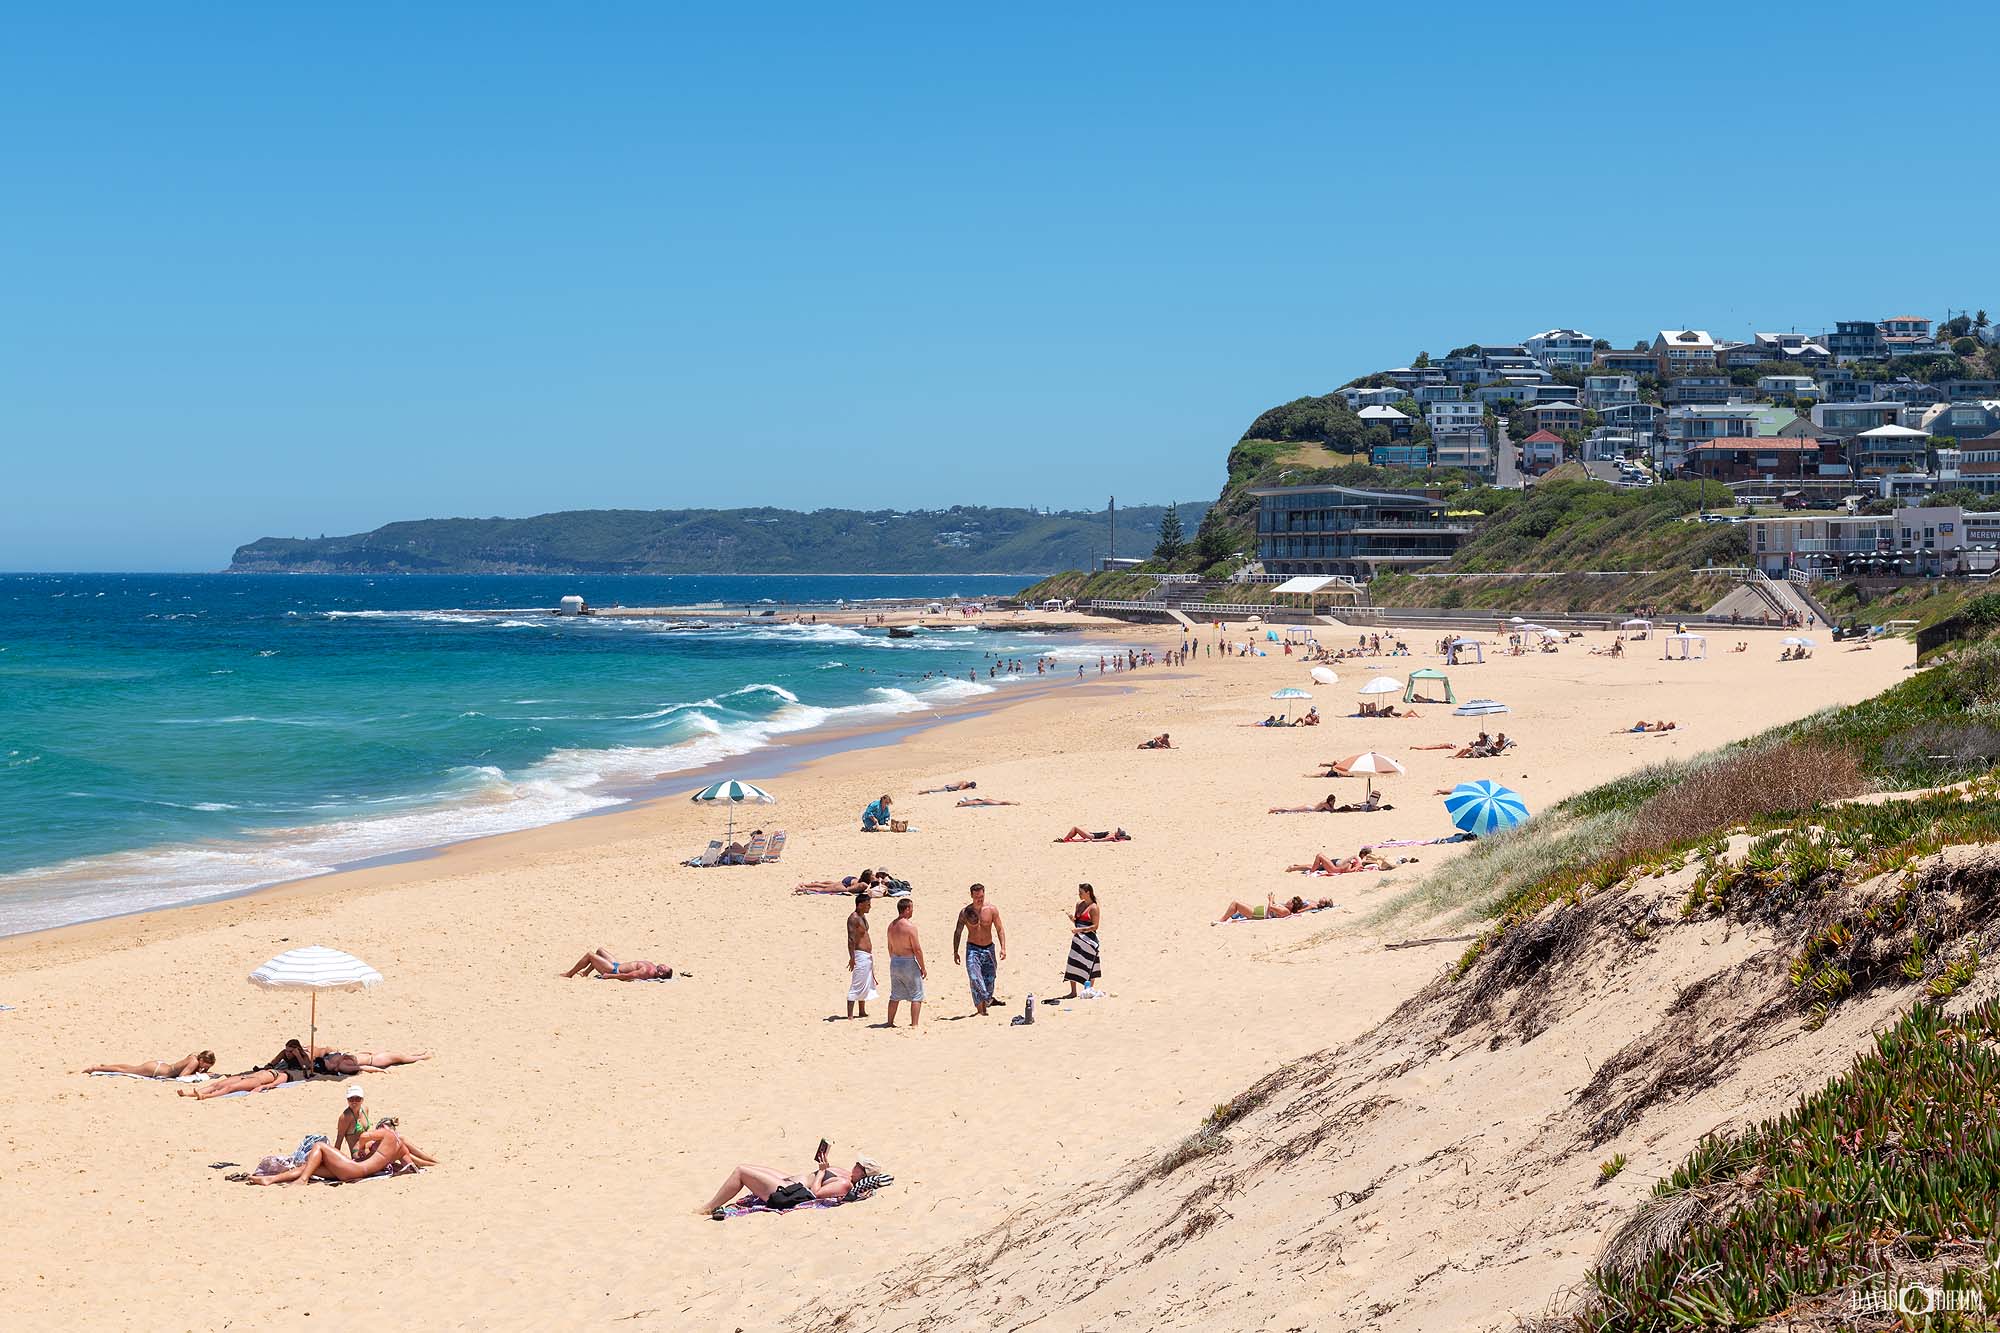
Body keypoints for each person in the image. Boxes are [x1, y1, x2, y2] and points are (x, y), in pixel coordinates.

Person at [698, 1151, 883, 1217]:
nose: (855, 1165)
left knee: (741, 1171)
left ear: (863, 1173)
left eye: (859, 1166)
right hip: (792, 1182)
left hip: (790, 1193)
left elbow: (817, 1194)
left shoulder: (845, 1184)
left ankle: (709, 1207)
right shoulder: (847, 1175)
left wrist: (820, 1171)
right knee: (751, 1167)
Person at [247, 1122, 438, 1186]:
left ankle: (302, 1180)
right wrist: (431, 1163)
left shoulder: (386, 1133)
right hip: (357, 1172)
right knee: (311, 1165)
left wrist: (363, 1148)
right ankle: (270, 1180)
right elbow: (410, 1165)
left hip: (354, 1169)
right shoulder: (400, 1147)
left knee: (320, 1147)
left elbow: (363, 1136)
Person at [953, 883, 1008, 1016]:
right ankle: (981, 1009)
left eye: (982, 897)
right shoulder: (965, 912)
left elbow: (999, 929)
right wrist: (955, 951)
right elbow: (958, 932)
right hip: (973, 949)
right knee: (975, 977)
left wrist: (1003, 947)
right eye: (977, 897)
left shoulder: (991, 910)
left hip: (989, 949)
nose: (980, 899)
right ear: (971, 896)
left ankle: (987, 1001)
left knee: (990, 979)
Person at [885, 897, 926, 1028]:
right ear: (907, 909)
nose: (913, 910)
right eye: (911, 908)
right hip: (908, 961)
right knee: (916, 994)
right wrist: (923, 967)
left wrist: (894, 960)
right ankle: (914, 1024)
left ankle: (890, 1022)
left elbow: (890, 947)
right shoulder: (910, 927)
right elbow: (917, 949)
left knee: (895, 995)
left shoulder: (891, 926)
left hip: (895, 961)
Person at [1061, 884, 1100, 999]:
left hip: (1089, 940)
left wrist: (1080, 929)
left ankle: (1088, 990)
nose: (1079, 894)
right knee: (1072, 961)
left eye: (1081, 892)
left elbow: (1095, 926)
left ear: (1088, 892)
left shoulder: (1094, 908)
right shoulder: (1079, 904)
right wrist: (1072, 919)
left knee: (1090, 964)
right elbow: (1077, 922)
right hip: (1078, 939)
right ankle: (1073, 992)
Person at [846, 892, 877, 1020]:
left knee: (865, 982)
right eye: (867, 904)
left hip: (866, 955)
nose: (869, 906)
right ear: (860, 905)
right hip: (859, 954)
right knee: (857, 983)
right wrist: (852, 958)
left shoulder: (862, 916)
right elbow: (851, 939)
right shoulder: (853, 918)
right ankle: (850, 1015)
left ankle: (862, 1011)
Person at [308, 1045, 432, 1076]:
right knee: (401, 1058)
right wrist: (380, 1071)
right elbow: (363, 1068)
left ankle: (419, 1055)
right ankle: (423, 1057)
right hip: (375, 1060)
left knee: (401, 1056)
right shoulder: (342, 1066)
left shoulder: (332, 1059)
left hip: (372, 1056)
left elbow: (327, 1049)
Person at [560, 948, 674, 980]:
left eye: (664, 968)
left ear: (660, 973)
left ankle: (570, 974)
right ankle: (585, 973)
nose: (663, 965)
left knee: (590, 955)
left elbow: (629, 976)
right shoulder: (653, 966)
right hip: (617, 964)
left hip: (613, 970)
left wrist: (610, 976)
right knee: (600, 950)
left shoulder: (645, 972)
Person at [84, 1051, 215, 1079]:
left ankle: (105, 1066)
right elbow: (182, 1076)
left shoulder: (193, 1056)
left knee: (129, 1067)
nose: (205, 1068)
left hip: (158, 1066)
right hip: (156, 1070)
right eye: (206, 1065)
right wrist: (201, 1074)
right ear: (203, 1060)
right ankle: (96, 1068)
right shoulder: (194, 1062)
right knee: (126, 1070)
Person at [334, 1084, 372, 1158]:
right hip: (358, 1152)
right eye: (351, 1099)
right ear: (347, 1100)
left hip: (369, 1146)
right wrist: (334, 1159)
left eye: (357, 1099)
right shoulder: (345, 1117)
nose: (354, 1102)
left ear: (362, 1100)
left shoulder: (365, 1109)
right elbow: (339, 1139)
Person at [1055, 827, 1130, 842]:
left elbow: (1101, 839)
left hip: (1091, 836)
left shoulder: (1112, 836)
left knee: (1075, 828)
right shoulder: (1113, 834)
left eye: (1118, 832)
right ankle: (1066, 838)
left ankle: (1064, 839)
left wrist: (1091, 840)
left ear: (1119, 835)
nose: (1117, 831)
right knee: (1078, 829)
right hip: (1091, 834)